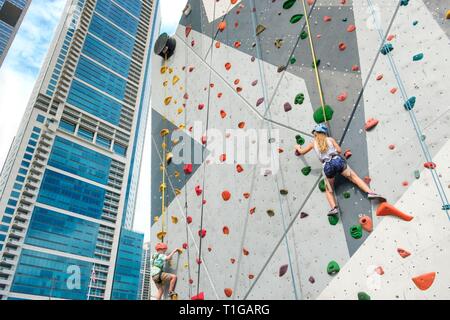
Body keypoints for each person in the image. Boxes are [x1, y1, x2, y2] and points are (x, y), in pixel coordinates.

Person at [295, 124, 385, 216]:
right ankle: (370, 193)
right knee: (354, 178)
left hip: (327, 166)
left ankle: (334, 208)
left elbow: (302, 152)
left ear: (315, 133)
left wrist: (297, 147)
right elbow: (339, 150)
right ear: (324, 133)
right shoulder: (330, 139)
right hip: (337, 161)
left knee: (329, 190)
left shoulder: (312, 144)